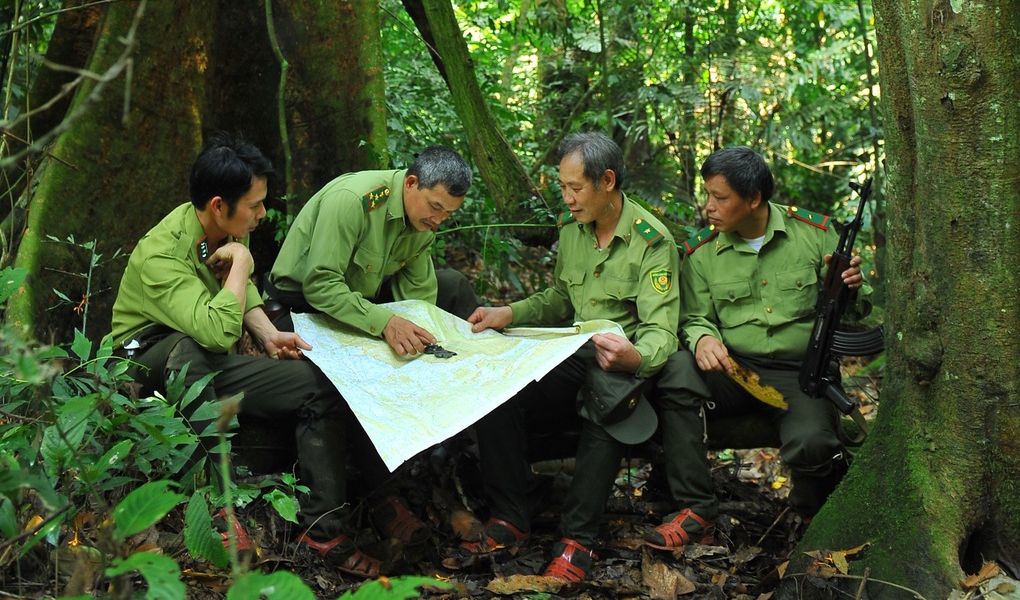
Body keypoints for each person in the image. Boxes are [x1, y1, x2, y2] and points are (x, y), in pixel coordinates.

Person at [109, 132, 388, 578]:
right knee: (186, 350)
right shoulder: (161, 253)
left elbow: (239, 298)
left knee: (317, 385)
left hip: (202, 360)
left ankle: (322, 530)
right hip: (146, 361)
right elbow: (218, 331)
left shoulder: (222, 229)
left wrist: (267, 333)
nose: (261, 214)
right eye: (254, 205)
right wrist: (241, 261)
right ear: (219, 205)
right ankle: (219, 508)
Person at [460, 132, 680, 584]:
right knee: (499, 384)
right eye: (562, 187)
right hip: (573, 350)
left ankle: (577, 540)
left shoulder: (652, 241)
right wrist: (509, 312)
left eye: (575, 188)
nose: (566, 198)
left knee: (606, 401)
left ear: (607, 181)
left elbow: (661, 330)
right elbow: (561, 297)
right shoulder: (572, 227)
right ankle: (511, 514)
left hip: (623, 363)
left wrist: (635, 357)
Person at [645, 146, 870, 551]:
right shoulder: (702, 252)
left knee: (813, 443)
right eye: (708, 195)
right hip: (732, 369)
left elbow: (857, 307)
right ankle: (696, 511)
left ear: (753, 199)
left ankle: (811, 517)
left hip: (799, 373)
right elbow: (693, 317)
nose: (709, 206)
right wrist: (703, 338)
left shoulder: (815, 234)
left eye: (720, 197)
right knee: (677, 369)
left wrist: (851, 286)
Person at [265, 144, 479, 546]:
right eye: (435, 207)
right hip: (299, 309)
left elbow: (418, 295)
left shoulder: (422, 223)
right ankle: (328, 523)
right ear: (411, 183)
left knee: (403, 364)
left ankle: (392, 490)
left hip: (357, 308)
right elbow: (320, 285)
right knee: (337, 387)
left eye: (448, 214)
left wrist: (426, 339)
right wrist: (385, 323)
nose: (438, 220)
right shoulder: (355, 201)